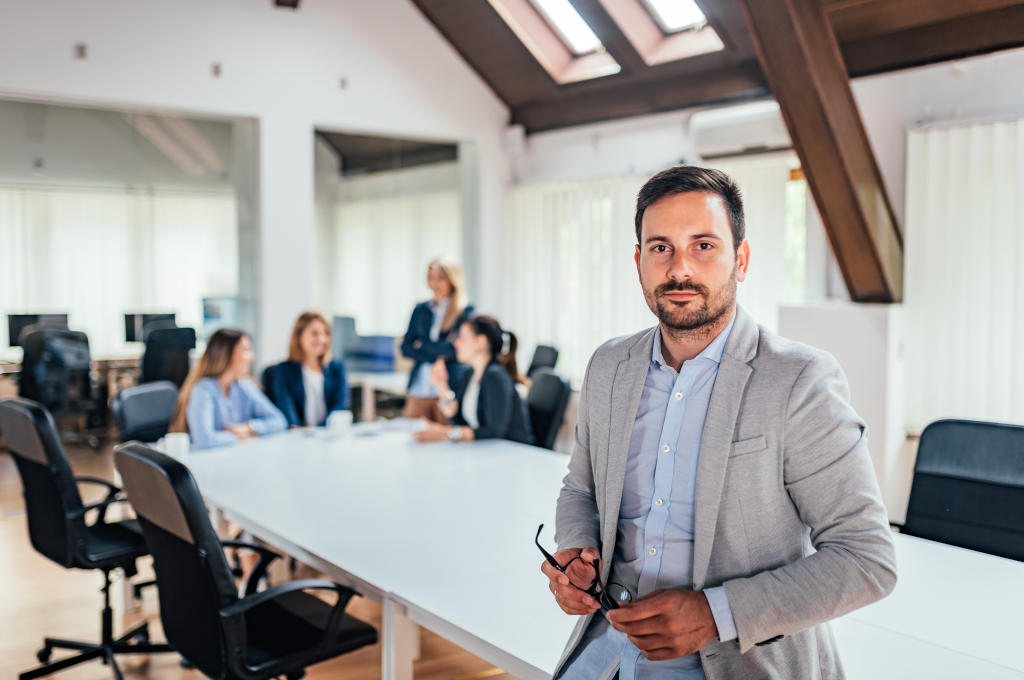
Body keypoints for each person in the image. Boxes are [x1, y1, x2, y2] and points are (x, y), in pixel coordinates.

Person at [542, 166, 896, 679]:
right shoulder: (608, 366)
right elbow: (581, 487)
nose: (680, 268)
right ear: (639, 262)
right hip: (605, 651)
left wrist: (715, 613)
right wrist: (576, 550)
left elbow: (867, 559)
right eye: (660, 248)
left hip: (735, 661)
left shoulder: (799, 380)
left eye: (703, 245)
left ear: (741, 259)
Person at [413, 315, 533, 445]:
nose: (456, 343)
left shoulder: (495, 377)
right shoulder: (469, 374)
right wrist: (442, 387)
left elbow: (494, 432)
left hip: (513, 452)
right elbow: (461, 421)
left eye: (462, 338)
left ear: (481, 342)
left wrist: (445, 433)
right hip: (488, 451)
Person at [171, 328, 287, 449]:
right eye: (245, 350)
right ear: (227, 354)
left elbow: (280, 421)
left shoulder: (245, 385)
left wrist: (249, 428)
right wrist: (243, 436)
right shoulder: (203, 390)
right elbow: (204, 439)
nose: (252, 356)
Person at [401, 257, 474, 423]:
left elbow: (455, 350)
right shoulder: (421, 309)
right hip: (419, 388)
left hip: (449, 388)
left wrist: (422, 346)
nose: (434, 283)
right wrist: (438, 352)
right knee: (415, 437)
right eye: (431, 278)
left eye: (440, 278)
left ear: (452, 280)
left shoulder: (465, 310)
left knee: (447, 438)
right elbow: (406, 347)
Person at [268, 311, 349, 427]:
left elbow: (340, 406)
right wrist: (300, 432)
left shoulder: (337, 368)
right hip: (297, 437)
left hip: (328, 435)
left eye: (325, 333)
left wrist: (320, 432)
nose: (321, 339)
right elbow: (287, 410)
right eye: (315, 334)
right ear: (299, 337)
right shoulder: (283, 370)